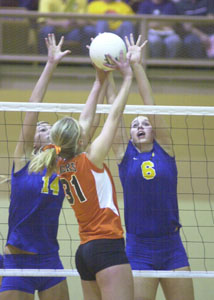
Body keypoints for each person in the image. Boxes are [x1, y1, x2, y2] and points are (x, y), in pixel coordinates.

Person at [28, 51, 134, 300]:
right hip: (108, 246)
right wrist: (126, 77)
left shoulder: (59, 162)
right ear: (79, 139)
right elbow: (114, 116)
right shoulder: (90, 158)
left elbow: (85, 120)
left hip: (85, 253)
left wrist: (100, 80)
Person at [106, 34, 195, 300]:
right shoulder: (124, 153)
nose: (140, 126)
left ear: (154, 131)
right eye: (135, 125)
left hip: (172, 246)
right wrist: (107, 73)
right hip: (138, 248)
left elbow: (150, 103)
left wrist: (137, 65)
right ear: (130, 135)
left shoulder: (165, 149)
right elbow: (114, 112)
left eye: (145, 124)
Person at [0, 34, 72, 300]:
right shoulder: (22, 160)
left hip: (49, 260)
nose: (44, 128)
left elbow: (89, 125)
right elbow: (32, 110)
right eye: (40, 128)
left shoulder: (63, 166)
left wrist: (101, 80)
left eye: (49, 128)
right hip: (17, 262)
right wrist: (50, 65)